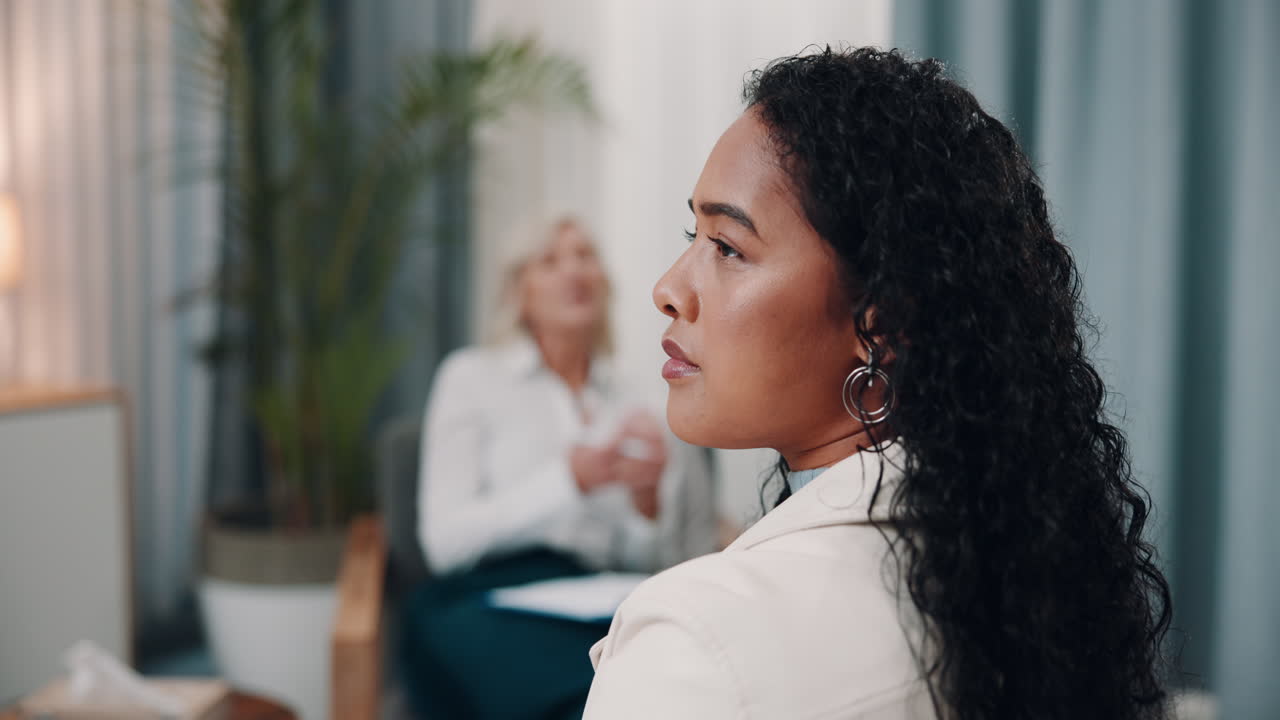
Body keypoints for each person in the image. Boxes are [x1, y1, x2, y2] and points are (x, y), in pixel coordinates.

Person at [584, 48, 1172, 720]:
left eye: (727, 247)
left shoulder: (695, 648)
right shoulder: (1026, 573)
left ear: (882, 319)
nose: (668, 289)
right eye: (694, 233)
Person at [401, 216, 717, 720]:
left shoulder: (647, 402)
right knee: (598, 690)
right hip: (488, 597)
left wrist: (648, 505)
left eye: (585, 256)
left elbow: (671, 561)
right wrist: (567, 481)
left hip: (604, 600)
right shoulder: (471, 379)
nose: (575, 271)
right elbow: (445, 545)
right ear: (519, 293)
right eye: (550, 260)